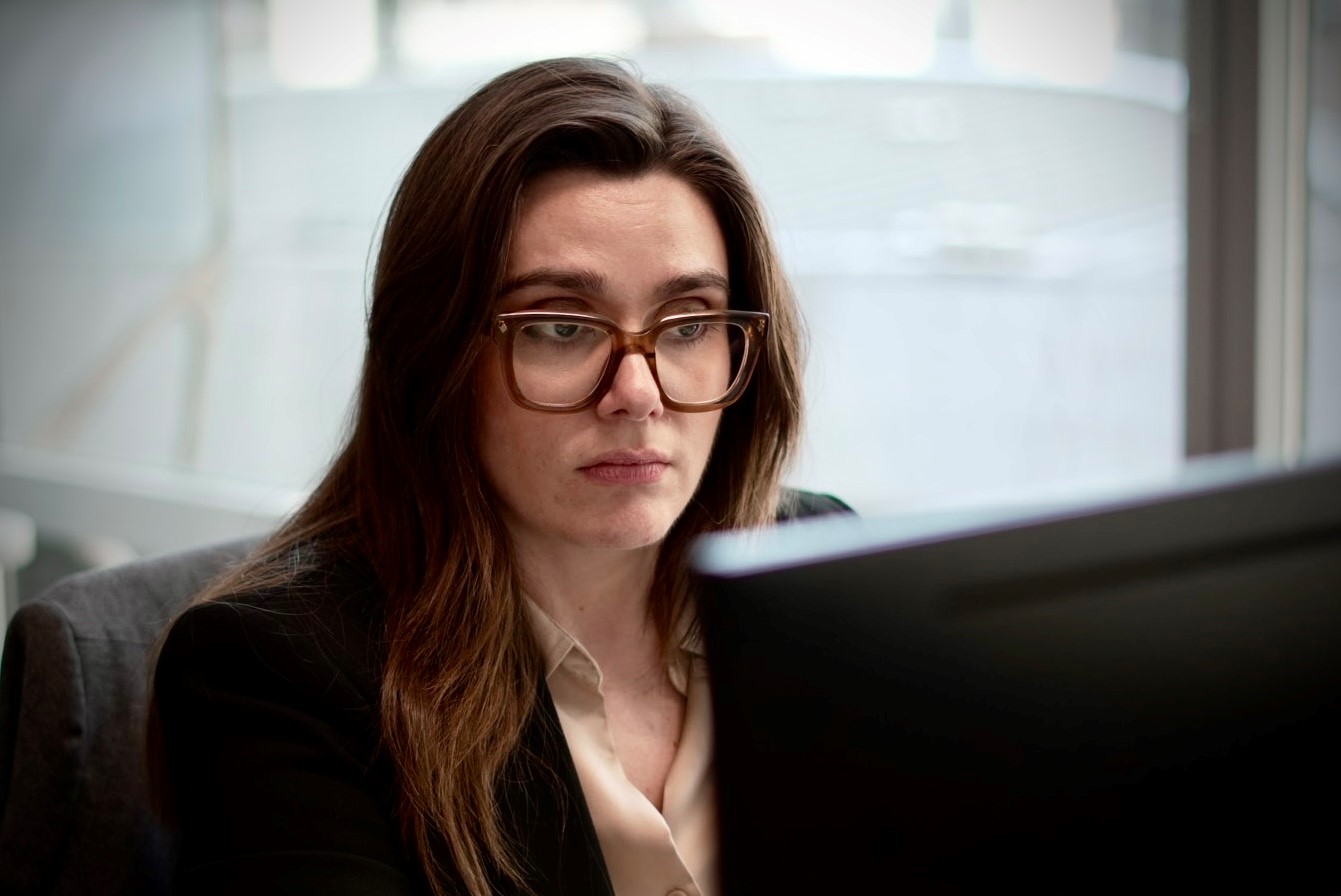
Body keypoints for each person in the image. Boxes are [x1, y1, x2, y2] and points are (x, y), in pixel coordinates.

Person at [149, 56, 851, 896]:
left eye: (689, 322)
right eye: (559, 327)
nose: (637, 393)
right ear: (435, 356)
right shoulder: (281, 671)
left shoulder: (815, 572)